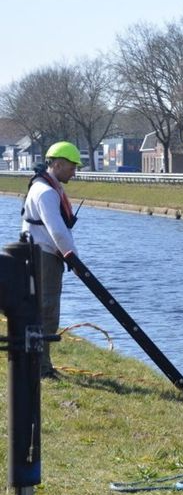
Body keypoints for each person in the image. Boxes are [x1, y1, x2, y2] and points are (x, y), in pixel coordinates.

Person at [20, 141, 82, 379]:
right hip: (44, 256)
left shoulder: (47, 187)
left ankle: (39, 364)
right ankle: (41, 368)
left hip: (42, 254)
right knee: (46, 311)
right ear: (57, 164)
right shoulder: (46, 192)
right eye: (71, 167)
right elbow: (57, 231)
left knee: (42, 310)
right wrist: (74, 259)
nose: (74, 172)